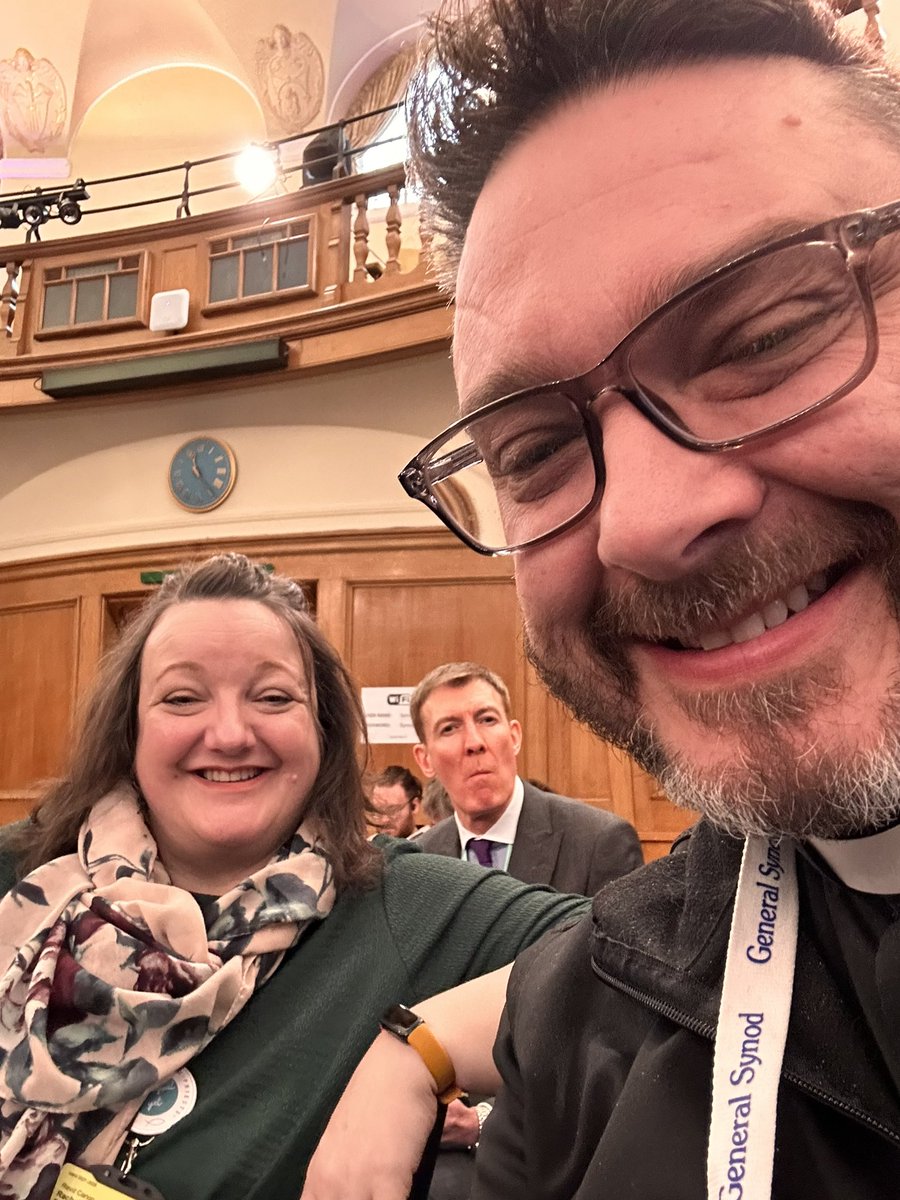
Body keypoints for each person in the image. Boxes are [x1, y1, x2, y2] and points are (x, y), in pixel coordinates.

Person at [302, 0, 900, 1196]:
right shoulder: (579, 1033)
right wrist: (406, 1049)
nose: (642, 520)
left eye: (768, 333)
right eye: (530, 454)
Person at [0, 553, 590, 1200]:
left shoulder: (407, 906)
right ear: (129, 729)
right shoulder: (23, 872)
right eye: (182, 697)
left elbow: (649, 961)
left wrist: (422, 1050)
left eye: (274, 697)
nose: (228, 733)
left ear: (324, 730)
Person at [412, 662, 643, 891]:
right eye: (449, 728)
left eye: (487, 720)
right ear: (425, 759)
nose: (474, 742)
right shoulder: (418, 862)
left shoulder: (598, 842)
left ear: (514, 737)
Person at [369, 764, 423, 837]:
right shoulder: (366, 845)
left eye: (392, 810)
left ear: (414, 806)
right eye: (378, 812)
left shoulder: (430, 846)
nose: (384, 820)